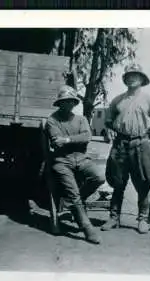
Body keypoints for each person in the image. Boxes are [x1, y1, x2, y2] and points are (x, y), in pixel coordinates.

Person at [101, 64, 150, 234]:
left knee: (143, 181)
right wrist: (110, 131)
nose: (132, 78)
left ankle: (142, 219)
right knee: (117, 180)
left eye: (136, 75)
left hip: (140, 143)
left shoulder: (149, 100)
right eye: (128, 75)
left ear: (142, 79)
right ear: (125, 79)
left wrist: (145, 133)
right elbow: (107, 121)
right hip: (120, 143)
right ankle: (114, 218)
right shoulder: (117, 100)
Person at [46, 85, 105, 244]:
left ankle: (75, 202)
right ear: (59, 103)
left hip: (81, 158)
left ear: (74, 103)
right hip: (61, 161)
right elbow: (56, 142)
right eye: (65, 102)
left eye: (71, 101)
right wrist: (72, 139)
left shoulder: (81, 119)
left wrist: (67, 140)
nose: (68, 104)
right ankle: (87, 228)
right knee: (73, 194)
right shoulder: (52, 120)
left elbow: (87, 136)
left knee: (99, 177)